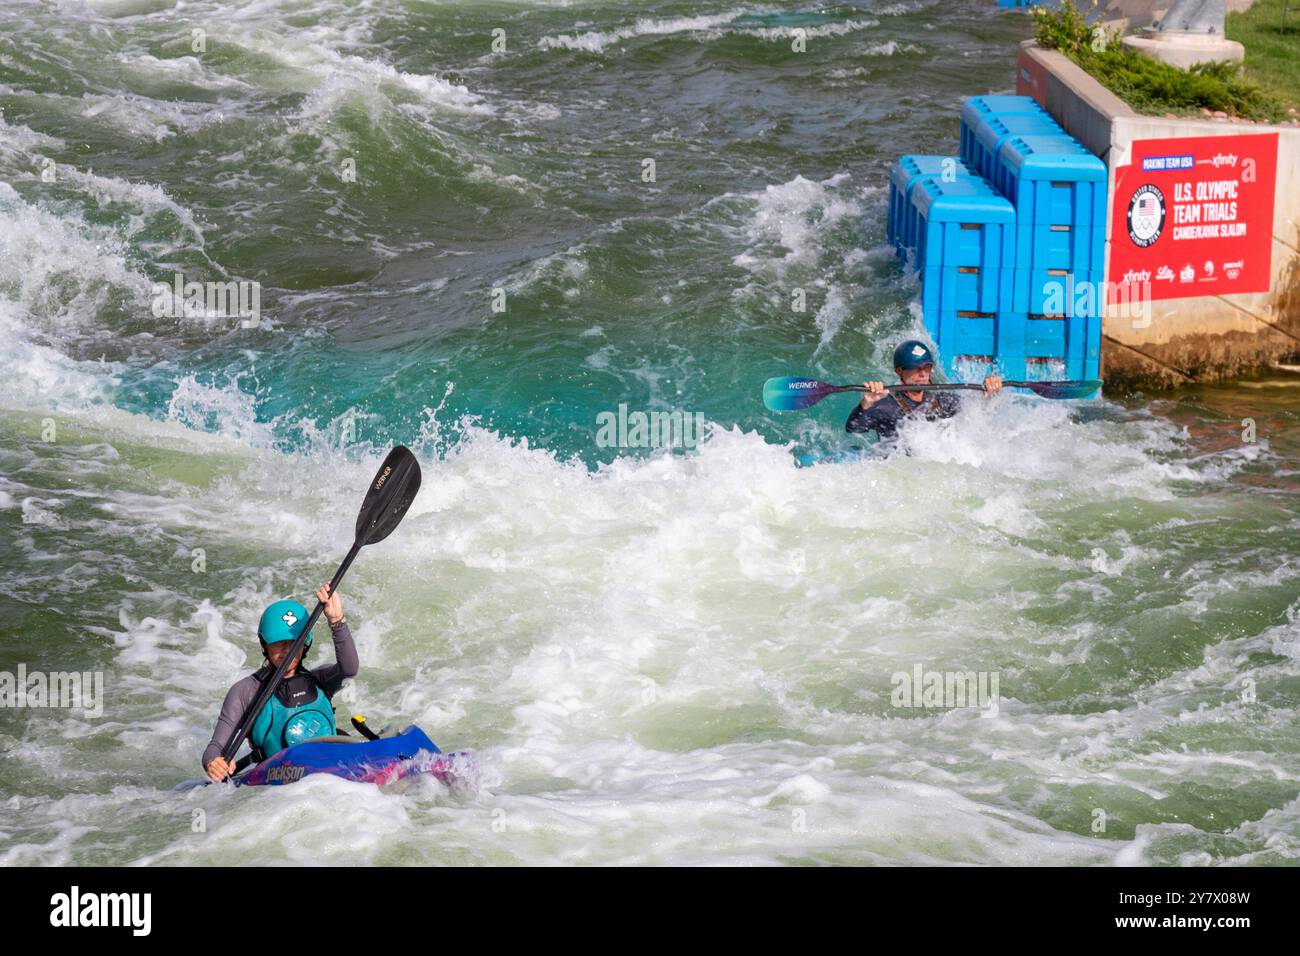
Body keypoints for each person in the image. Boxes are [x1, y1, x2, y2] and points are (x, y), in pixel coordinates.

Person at [202, 585, 357, 782]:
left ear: (305, 643)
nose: (287, 649)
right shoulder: (246, 691)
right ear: (264, 644)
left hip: (331, 772)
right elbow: (215, 748)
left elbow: (349, 669)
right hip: (278, 787)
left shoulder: (320, 680)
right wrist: (214, 762)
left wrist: (336, 621)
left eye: (294, 642)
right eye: (279, 642)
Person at [846, 340, 1002, 441]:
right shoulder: (886, 405)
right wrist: (866, 403)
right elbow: (853, 428)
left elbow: (976, 413)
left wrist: (989, 392)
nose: (922, 374)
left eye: (927, 368)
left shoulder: (942, 401)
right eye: (916, 368)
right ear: (900, 371)